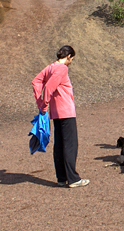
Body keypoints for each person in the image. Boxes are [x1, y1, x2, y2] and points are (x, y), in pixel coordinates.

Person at [32, 44, 86, 187]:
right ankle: (73, 179)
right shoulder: (62, 68)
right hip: (66, 111)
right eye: (71, 59)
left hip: (56, 112)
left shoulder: (50, 67)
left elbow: (36, 81)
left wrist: (40, 102)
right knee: (70, 145)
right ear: (68, 56)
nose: (71, 62)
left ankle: (62, 178)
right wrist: (43, 105)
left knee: (60, 145)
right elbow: (49, 87)